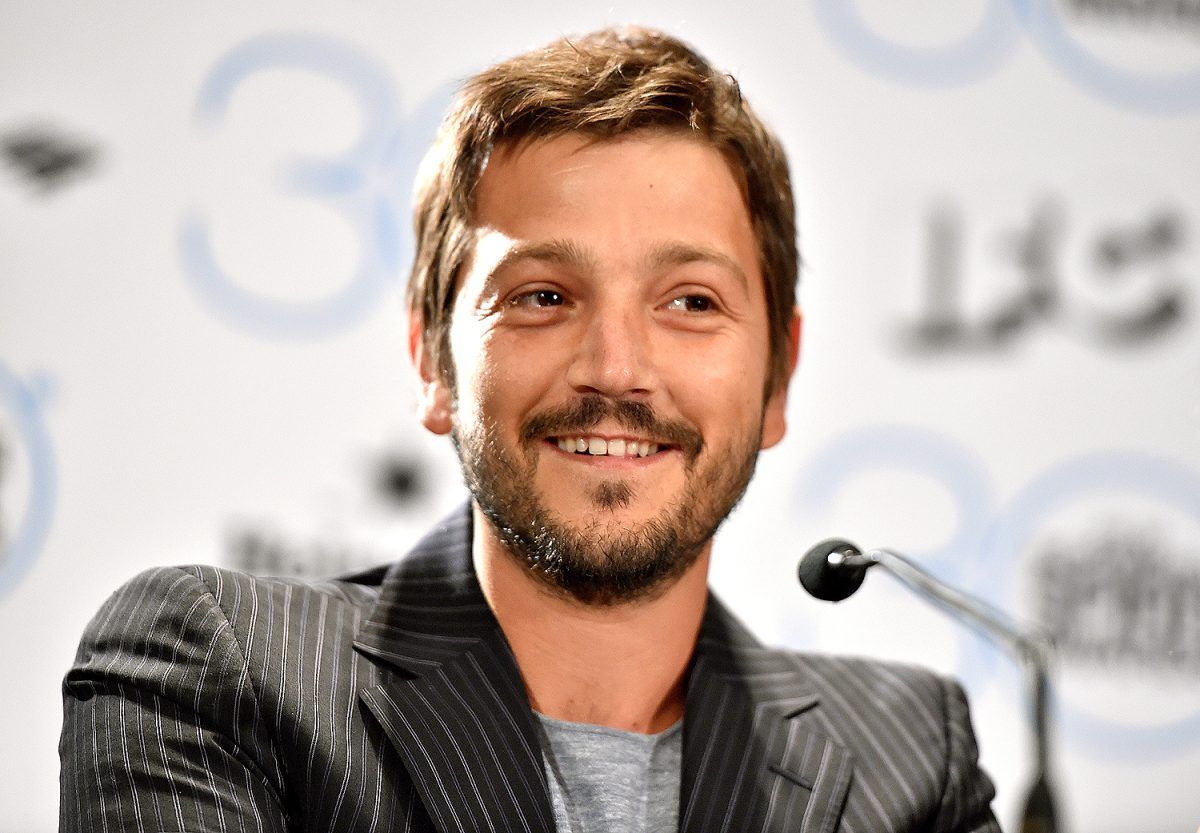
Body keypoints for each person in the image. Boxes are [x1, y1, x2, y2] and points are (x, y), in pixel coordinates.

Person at [60, 27, 999, 833]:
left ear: (778, 376)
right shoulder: (222, 672)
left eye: (691, 301)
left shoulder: (908, 757)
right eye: (543, 296)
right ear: (432, 360)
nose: (617, 368)